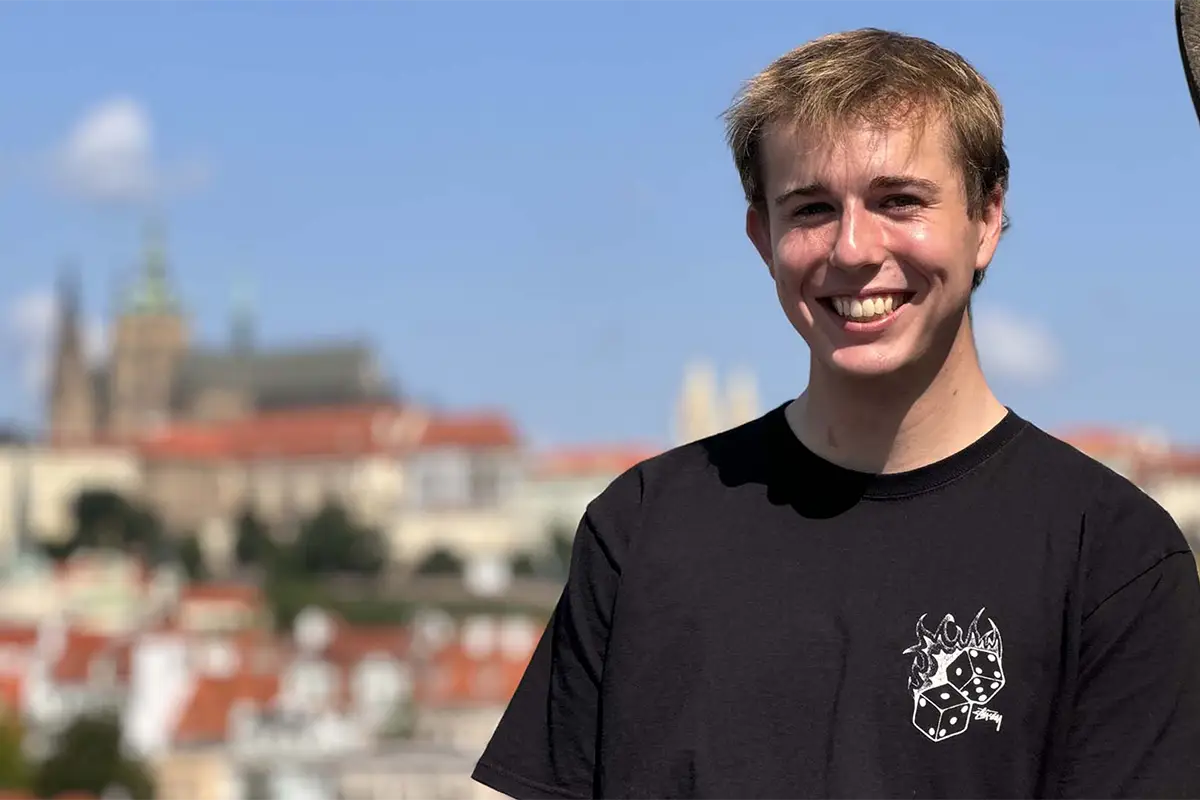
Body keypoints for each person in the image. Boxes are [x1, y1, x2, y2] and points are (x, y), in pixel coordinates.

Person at [472, 28, 1200, 799]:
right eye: (813, 208)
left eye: (898, 201)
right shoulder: (642, 529)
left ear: (986, 218)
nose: (853, 249)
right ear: (764, 237)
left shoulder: (1113, 556)